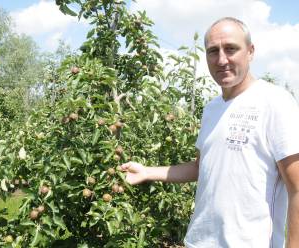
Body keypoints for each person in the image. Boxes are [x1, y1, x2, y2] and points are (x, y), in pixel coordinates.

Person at [121, 17, 299, 248]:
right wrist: (146, 172)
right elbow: (200, 167)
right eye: (213, 51)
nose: (222, 59)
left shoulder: (275, 101)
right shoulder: (212, 108)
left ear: (250, 51)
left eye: (231, 49)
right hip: (199, 241)